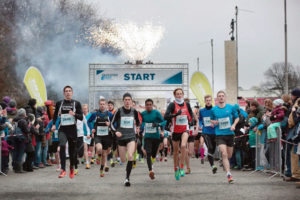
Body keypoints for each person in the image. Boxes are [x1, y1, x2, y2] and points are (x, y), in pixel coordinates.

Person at [52, 85, 83, 179]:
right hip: (63, 129)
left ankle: (72, 168)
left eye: (69, 91)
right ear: (64, 93)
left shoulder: (76, 103)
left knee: (72, 151)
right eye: (66, 91)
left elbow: (81, 117)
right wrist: (54, 124)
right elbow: (55, 116)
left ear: (72, 93)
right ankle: (63, 170)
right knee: (62, 145)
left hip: (72, 129)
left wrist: (74, 114)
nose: (68, 92)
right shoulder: (59, 103)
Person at [164, 88, 194, 180]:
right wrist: (175, 114)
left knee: (184, 146)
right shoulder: (172, 105)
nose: (179, 95)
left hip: (185, 129)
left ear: (183, 95)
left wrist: (191, 121)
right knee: (176, 152)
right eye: (177, 94)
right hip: (175, 131)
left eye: (181, 94)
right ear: (175, 95)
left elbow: (191, 114)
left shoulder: (187, 104)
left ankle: (182, 167)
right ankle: (175, 169)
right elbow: (166, 116)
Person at [111, 93, 140, 186]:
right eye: (126, 100)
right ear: (123, 101)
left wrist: (138, 128)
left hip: (131, 137)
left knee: (130, 156)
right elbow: (111, 124)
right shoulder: (119, 111)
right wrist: (115, 131)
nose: (127, 101)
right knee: (123, 160)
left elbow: (139, 123)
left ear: (131, 101)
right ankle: (127, 166)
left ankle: (127, 179)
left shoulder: (134, 111)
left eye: (129, 100)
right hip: (121, 138)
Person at [210, 91, 239, 183]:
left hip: (229, 134)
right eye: (219, 96)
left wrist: (234, 125)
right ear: (217, 98)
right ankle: (229, 175)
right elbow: (211, 119)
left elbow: (237, 117)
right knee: (224, 153)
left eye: (222, 96)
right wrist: (213, 122)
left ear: (225, 98)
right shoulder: (214, 110)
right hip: (219, 134)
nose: (221, 97)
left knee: (229, 155)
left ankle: (225, 163)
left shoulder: (231, 107)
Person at [141, 98, 165, 180]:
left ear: (152, 105)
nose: (148, 106)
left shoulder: (156, 113)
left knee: (153, 154)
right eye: (147, 105)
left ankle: (152, 161)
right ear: (145, 106)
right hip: (147, 137)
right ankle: (150, 170)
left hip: (156, 137)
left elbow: (164, 122)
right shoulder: (143, 114)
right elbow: (141, 123)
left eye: (150, 105)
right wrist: (140, 128)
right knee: (148, 153)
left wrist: (158, 124)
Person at [90, 99, 113, 177]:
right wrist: (91, 129)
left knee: (104, 154)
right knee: (99, 149)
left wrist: (110, 125)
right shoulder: (95, 114)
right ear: (99, 105)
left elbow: (115, 124)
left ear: (106, 105)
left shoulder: (109, 114)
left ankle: (101, 169)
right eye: (101, 104)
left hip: (106, 136)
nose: (102, 105)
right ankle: (98, 156)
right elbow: (88, 121)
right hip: (98, 136)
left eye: (103, 104)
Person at [199, 95, 217, 173]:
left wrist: (215, 123)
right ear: (205, 101)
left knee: (213, 149)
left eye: (210, 100)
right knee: (208, 146)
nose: (208, 101)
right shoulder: (202, 111)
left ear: (211, 101)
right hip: (206, 132)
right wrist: (200, 125)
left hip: (214, 132)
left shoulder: (215, 109)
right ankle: (212, 165)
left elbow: (217, 119)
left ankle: (207, 158)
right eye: (207, 100)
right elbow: (200, 119)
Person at [75, 104, 90, 175]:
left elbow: (87, 125)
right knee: (75, 150)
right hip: (75, 135)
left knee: (85, 149)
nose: (84, 110)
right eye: (83, 109)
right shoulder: (75, 116)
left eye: (85, 108)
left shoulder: (83, 116)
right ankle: (75, 165)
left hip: (83, 135)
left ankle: (87, 163)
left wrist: (88, 133)